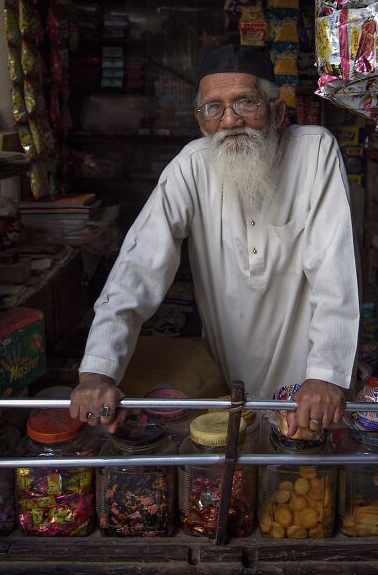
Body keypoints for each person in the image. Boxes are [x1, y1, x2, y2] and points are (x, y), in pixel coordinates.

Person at [70, 44, 360, 437]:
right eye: (214, 108)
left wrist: (325, 376)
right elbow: (136, 269)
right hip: (227, 379)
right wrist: (97, 371)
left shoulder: (315, 151)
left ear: (276, 112)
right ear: (200, 119)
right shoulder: (191, 166)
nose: (229, 120)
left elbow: (334, 272)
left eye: (245, 102)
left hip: (310, 388)